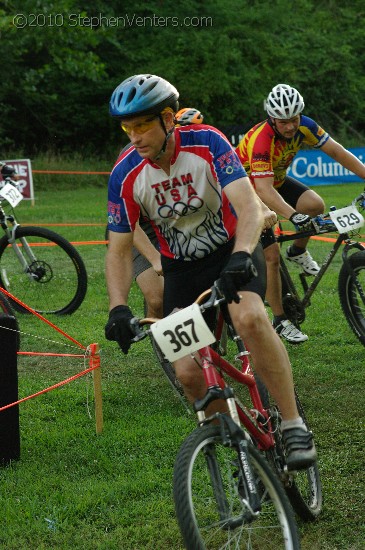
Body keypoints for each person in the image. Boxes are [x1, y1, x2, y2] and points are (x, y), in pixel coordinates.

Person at [105, 74, 317, 470]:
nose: (134, 136)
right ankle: (239, 447)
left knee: (250, 317)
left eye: (142, 125)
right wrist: (118, 307)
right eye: (126, 127)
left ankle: (292, 423)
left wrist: (240, 255)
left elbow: (250, 206)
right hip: (182, 271)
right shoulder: (125, 173)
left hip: (232, 249)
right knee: (186, 371)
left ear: (169, 119)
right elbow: (118, 250)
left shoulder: (207, 142)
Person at [236, 83, 365, 343]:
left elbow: (337, 152)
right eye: (284, 122)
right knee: (271, 256)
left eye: (294, 119)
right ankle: (280, 320)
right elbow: (261, 188)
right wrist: (293, 216)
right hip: (247, 192)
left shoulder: (306, 125)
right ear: (272, 118)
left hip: (277, 181)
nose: (290, 127)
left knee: (315, 205)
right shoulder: (262, 138)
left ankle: (296, 251)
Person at [130, 108, 205, 318]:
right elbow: (128, 225)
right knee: (159, 297)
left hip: (172, 225)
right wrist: (155, 259)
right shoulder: (132, 162)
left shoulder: (199, 155)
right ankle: (164, 348)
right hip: (138, 229)